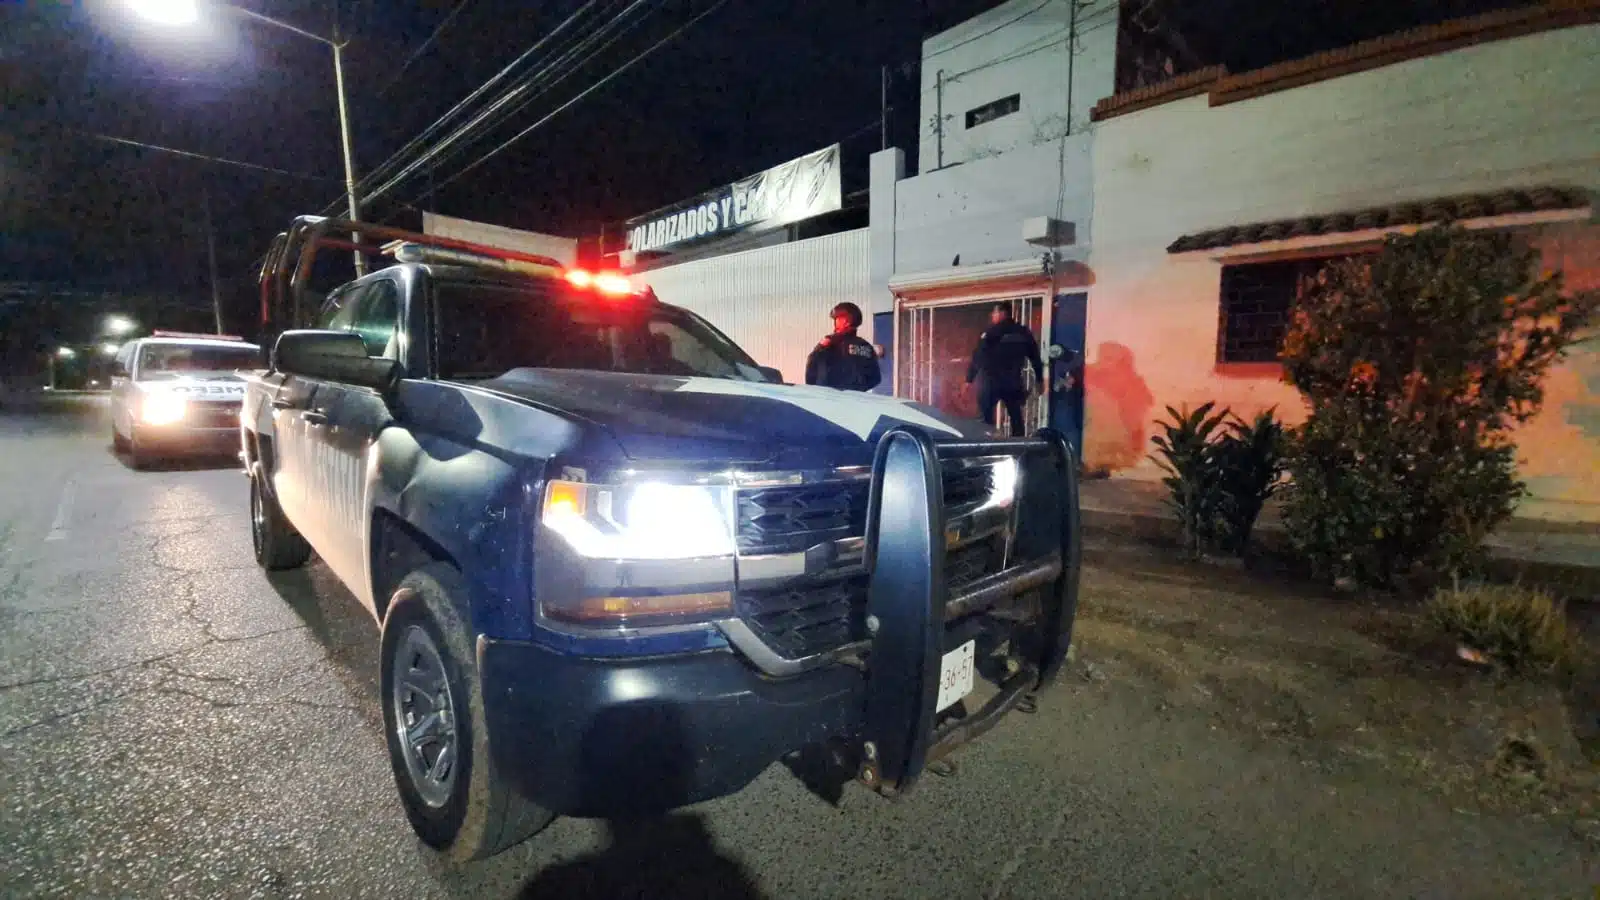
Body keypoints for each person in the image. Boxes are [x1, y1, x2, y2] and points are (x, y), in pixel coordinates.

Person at [966, 301, 1044, 436]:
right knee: (1016, 418)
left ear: (1002, 313)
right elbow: (1035, 357)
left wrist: (969, 379)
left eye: (994, 312)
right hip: (1012, 381)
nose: (992, 316)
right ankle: (1019, 447)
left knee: (986, 418)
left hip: (991, 382)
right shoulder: (1023, 333)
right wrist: (1039, 379)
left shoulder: (991, 332)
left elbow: (979, 356)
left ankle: (987, 447)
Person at [804, 302, 881, 391]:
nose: (835, 323)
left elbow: (811, 367)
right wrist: (859, 389)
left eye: (838, 319)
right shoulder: (865, 346)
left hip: (829, 398)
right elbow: (875, 378)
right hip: (856, 399)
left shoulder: (829, 343)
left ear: (846, 320)